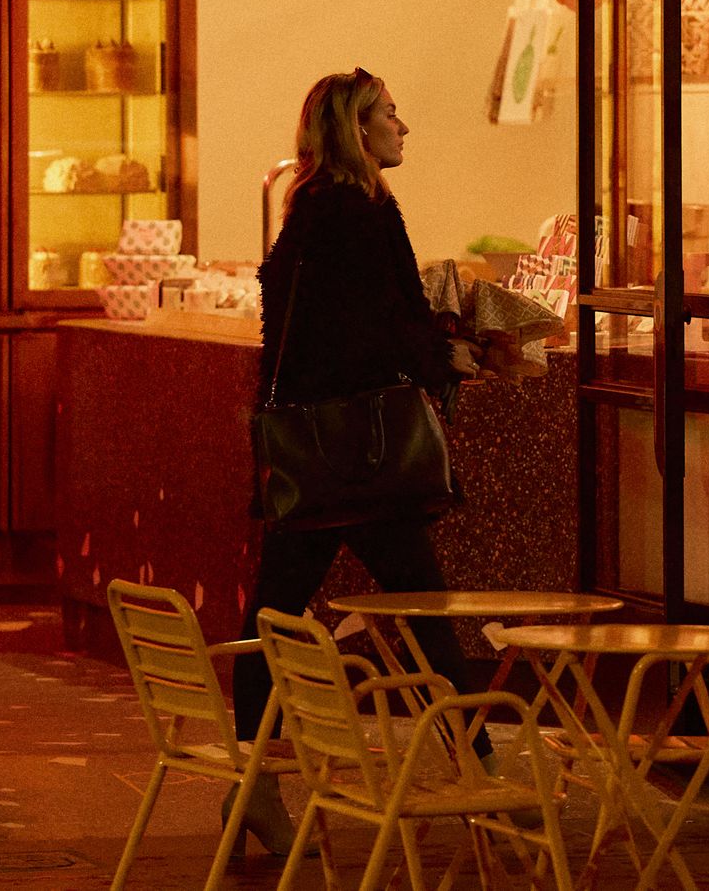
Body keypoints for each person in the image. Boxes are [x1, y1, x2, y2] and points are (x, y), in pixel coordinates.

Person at [226, 68, 479, 855]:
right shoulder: (365, 212)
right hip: (367, 457)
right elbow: (383, 326)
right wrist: (451, 353)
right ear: (357, 131)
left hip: (311, 452)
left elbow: (300, 327)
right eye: (391, 116)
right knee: (431, 614)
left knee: (271, 616)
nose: (404, 128)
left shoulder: (305, 208)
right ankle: (490, 771)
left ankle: (252, 787)